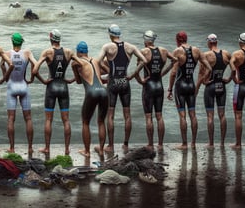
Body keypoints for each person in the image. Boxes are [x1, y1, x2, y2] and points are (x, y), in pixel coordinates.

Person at [97, 23, 145, 152]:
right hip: (125, 82)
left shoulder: (108, 46)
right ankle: (125, 144)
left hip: (113, 82)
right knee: (127, 115)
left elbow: (97, 61)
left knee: (110, 115)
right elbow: (144, 60)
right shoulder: (131, 47)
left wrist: (107, 70)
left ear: (110, 34)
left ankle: (111, 146)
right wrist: (133, 74)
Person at [167, 31, 212, 149]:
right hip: (191, 85)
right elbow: (209, 68)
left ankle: (184, 143)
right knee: (193, 115)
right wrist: (203, 80)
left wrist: (170, 89)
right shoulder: (197, 51)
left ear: (178, 40)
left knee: (182, 116)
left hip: (180, 86)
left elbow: (172, 73)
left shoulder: (177, 51)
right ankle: (193, 143)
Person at [34, 29, 75, 155]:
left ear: (51, 38)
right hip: (63, 86)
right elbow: (81, 64)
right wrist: (73, 79)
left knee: (48, 120)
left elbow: (35, 70)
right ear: (60, 39)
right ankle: (67, 149)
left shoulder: (48, 52)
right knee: (66, 120)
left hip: (51, 87)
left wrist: (44, 81)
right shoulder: (68, 52)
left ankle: (47, 148)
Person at [134, 30, 175, 150]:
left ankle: (151, 144)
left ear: (146, 40)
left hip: (148, 86)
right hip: (159, 85)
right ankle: (160, 144)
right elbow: (175, 60)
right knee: (159, 116)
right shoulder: (163, 50)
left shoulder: (144, 52)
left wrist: (140, 81)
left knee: (148, 117)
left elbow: (136, 70)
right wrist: (163, 72)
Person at [70, 41, 108, 158]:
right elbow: (107, 71)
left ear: (78, 52)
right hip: (103, 91)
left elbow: (78, 80)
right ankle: (101, 150)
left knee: (85, 122)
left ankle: (87, 151)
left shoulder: (75, 63)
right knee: (101, 121)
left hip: (91, 93)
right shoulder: (95, 60)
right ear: (87, 52)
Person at [1, 32, 37, 155]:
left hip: (12, 86)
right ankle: (30, 147)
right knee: (28, 118)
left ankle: (12, 148)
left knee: (11, 119)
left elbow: (2, 65)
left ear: (12, 42)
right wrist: (31, 78)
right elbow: (35, 65)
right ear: (21, 42)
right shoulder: (27, 53)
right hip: (23, 85)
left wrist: (5, 76)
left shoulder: (6, 54)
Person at [199, 33, 232, 148]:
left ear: (209, 42)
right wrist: (229, 79)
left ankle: (211, 143)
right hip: (221, 86)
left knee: (210, 116)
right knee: (222, 115)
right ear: (216, 42)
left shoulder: (206, 55)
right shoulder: (226, 54)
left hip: (211, 86)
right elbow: (234, 68)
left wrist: (201, 84)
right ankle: (222, 143)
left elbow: (201, 74)